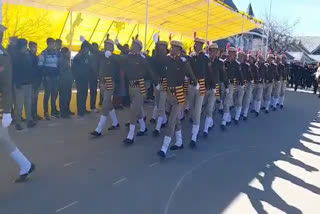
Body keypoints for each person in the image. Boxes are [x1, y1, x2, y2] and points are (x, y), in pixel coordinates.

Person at [0, 24, 35, 182]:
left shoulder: (3, 57)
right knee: (4, 139)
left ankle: (26, 165)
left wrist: (7, 111)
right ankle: (26, 165)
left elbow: (6, 85)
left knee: (4, 138)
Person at [157, 40, 197, 158]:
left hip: (178, 94)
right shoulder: (168, 59)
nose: (172, 49)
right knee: (175, 120)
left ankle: (164, 148)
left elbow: (190, 73)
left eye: (174, 48)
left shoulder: (183, 61)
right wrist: (156, 45)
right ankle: (179, 142)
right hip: (169, 93)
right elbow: (159, 59)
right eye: (172, 47)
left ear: (179, 50)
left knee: (171, 121)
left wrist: (196, 82)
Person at [121, 39, 158, 145]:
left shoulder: (143, 59)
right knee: (138, 109)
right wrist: (118, 44)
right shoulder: (129, 57)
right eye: (132, 45)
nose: (132, 47)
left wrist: (156, 82)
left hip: (140, 85)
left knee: (133, 110)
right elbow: (120, 57)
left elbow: (150, 70)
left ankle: (130, 135)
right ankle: (143, 127)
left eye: (134, 46)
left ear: (138, 48)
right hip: (131, 86)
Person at [90, 38, 120, 136]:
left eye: (108, 45)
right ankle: (115, 122)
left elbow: (120, 59)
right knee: (108, 103)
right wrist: (85, 41)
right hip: (102, 82)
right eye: (105, 44)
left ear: (112, 47)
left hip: (110, 82)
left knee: (105, 103)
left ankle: (99, 128)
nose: (106, 46)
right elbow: (95, 51)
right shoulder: (102, 55)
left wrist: (111, 55)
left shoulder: (114, 57)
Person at [12, 38, 36, 130]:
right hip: (19, 84)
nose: (26, 47)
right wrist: (17, 83)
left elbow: (31, 68)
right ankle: (17, 122)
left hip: (28, 83)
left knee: (28, 103)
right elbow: (14, 71)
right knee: (19, 105)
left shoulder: (28, 55)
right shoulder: (16, 56)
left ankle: (29, 120)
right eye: (24, 45)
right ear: (21, 46)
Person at [188, 38, 207, 148]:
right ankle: (195, 126)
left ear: (201, 46)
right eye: (195, 44)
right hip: (191, 85)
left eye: (198, 45)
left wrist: (212, 85)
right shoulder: (191, 57)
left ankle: (194, 136)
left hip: (201, 85)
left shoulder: (204, 58)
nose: (195, 46)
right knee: (191, 107)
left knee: (197, 110)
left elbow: (207, 72)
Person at [202, 43, 224, 137]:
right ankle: (210, 122)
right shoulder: (205, 61)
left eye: (216, 51)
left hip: (214, 88)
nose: (214, 53)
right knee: (203, 107)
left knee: (210, 108)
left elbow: (223, 76)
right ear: (209, 51)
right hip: (205, 87)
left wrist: (225, 87)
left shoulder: (220, 62)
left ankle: (206, 129)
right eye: (212, 51)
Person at [38, 38, 59, 120]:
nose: (52, 45)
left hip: (55, 77)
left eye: (53, 44)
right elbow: (40, 66)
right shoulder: (44, 53)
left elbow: (58, 65)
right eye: (51, 44)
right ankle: (46, 112)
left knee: (54, 95)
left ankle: (53, 111)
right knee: (47, 95)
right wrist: (45, 76)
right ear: (48, 44)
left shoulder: (56, 53)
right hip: (48, 78)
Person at [152, 39, 169, 137]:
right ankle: (164, 120)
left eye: (162, 47)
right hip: (157, 83)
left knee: (161, 105)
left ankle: (157, 128)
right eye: (159, 47)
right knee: (158, 103)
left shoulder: (168, 59)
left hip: (164, 83)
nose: (160, 49)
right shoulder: (155, 58)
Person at [72, 39, 91, 118]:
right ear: (83, 49)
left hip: (85, 78)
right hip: (80, 79)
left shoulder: (86, 56)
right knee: (80, 94)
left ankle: (83, 108)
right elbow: (74, 68)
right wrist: (77, 76)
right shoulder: (78, 57)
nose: (87, 51)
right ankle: (80, 110)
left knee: (85, 94)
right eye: (87, 49)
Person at [221, 47, 239, 130]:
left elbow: (239, 75)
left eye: (232, 53)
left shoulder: (236, 64)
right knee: (223, 100)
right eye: (229, 53)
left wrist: (241, 84)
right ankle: (228, 117)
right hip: (223, 84)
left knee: (227, 102)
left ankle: (224, 121)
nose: (230, 55)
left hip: (231, 84)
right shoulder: (223, 63)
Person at [58, 47, 73, 118]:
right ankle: (63, 113)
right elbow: (61, 71)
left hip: (67, 81)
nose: (69, 54)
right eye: (68, 52)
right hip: (63, 81)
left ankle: (67, 110)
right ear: (65, 52)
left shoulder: (66, 59)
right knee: (64, 97)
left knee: (68, 96)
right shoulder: (61, 60)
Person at [29, 41, 42, 121]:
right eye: (34, 47)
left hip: (37, 80)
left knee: (35, 99)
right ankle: (31, 115)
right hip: (31, 81)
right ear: (30, 47)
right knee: (31, 99)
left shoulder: (36, 57)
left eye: (36, 47)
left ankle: (34, 114)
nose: (35, 49)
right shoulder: (29, 57)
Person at [233, 50, 246, 124]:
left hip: (241, 85)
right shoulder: (235, 64)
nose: (240, 58)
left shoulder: (245, 66)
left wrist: (244, 83)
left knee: (239, 100)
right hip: (234, 84)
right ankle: (236, 113)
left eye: (242, 56)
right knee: (234, 99)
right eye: (239, 56)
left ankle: (237, 117)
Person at [242, 52, 254, 121]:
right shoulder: (243, 64)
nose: (250, 59)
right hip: (243, 82)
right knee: (242, 98)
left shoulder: (251, 66)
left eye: (251, 58)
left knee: (247, 98)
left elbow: (251, 75)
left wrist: (252, 81)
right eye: (249, 57)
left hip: (249, 83)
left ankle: (245, 114)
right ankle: (241, 111)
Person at [89, 43, 99, 112]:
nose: (96, 48)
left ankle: (93, 106)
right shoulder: (90, 56)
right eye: (95, 47)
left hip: (95, 76)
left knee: (94, 92)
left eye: (96, 47)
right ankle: (92, 107)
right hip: (91, 76)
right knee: (92, 92)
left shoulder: (96, 56)